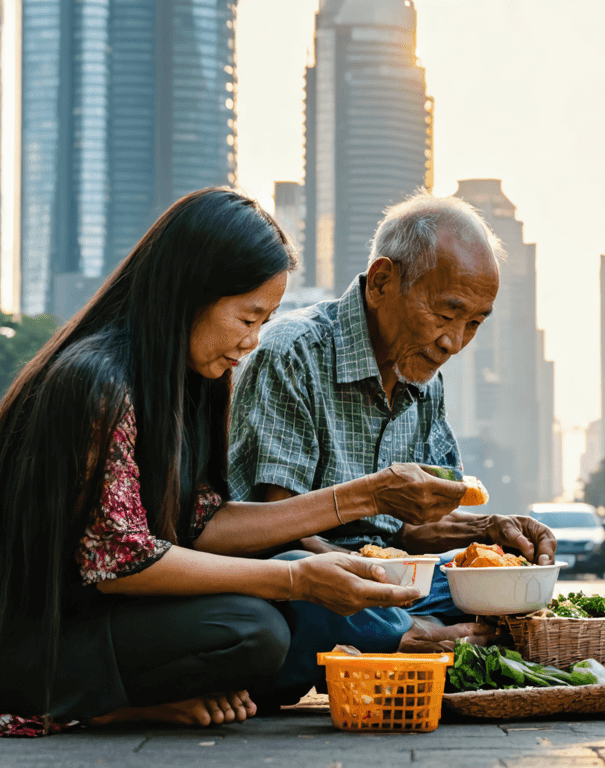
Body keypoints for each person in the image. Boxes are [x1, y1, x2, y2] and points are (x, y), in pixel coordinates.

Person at [0, 188, 465, 728]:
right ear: (188, 293)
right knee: (256, 629)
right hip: (24, 643)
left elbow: (202, 525)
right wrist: (294, 579)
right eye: (247, 318)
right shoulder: (97, 380)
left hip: (103, 618)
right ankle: (113, 707)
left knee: (291, 604)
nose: (252, 341)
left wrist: (363, 498)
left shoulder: (190, 381)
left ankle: (141, 691)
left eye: (263, 323)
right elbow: (119, 562)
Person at [228, 193, 557, 697]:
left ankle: (406, 638)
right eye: (446, 313)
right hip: (305, 573)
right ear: (382, 282)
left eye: (473, 323)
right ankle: (411, 638)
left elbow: (413, 526)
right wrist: (371, 580)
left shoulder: (425, 379)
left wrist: (491, 532)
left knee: (500, 589)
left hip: (384, 584)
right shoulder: (292, 353)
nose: (453, 342)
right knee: (301, 578)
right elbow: (276, 528)